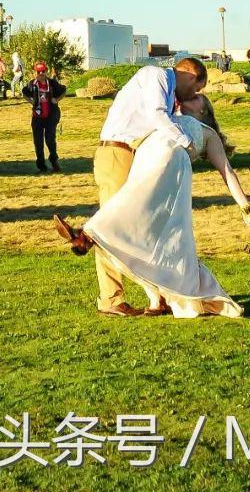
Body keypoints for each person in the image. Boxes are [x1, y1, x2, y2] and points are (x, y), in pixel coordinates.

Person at [55, 91, 250, 319]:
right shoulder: (168, 117)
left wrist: (245, 207)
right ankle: (156, 300)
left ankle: (88, 233)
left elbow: (227, 172)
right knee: (142, 224)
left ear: (203, 111)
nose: (189, 97)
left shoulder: (208, 133)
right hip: (147, 156)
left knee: (136, 202)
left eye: (196, 98)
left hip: (170, 166)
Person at [73, 57, 208, 317]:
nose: (194, 95)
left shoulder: (167, 93)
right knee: (111, 226)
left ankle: (158, 296)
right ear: (191, 75)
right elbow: (156, 116)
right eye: (197, 88)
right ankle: (111, 298)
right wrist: (186, 142)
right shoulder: (154, 75)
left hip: (131, 156)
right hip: (118, 153)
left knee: (142, 223)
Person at [22, 62, 65, 173]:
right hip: (37, 117)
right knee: (38, 142)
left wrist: (56, 99)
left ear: (46, 72)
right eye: (38, 72)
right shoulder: (32, 84)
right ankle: (41, 166)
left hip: (51, 116)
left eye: (43, 71)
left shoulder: (52, 83)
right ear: (35, 73)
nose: (41, 74)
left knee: (50, 140)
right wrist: (31, 101)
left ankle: (54, 161)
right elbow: (24, 92)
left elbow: (63, 90)